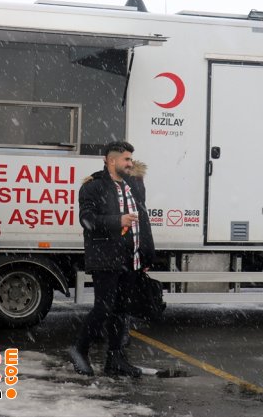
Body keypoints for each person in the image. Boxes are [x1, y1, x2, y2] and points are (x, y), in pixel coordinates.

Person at [68, 141, 155, 377]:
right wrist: (118, 221)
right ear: (112, 160)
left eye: (131, 159)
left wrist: (146, 252)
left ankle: (115, 359)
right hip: (106, 258)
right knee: (103, 308)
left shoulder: (132, 185)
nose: (131, 163)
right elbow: (87, 220)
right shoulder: (93, 186)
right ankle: (79, 350)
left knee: (121, 310)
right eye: (127, 159)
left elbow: (142, 220)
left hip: (131, 259)